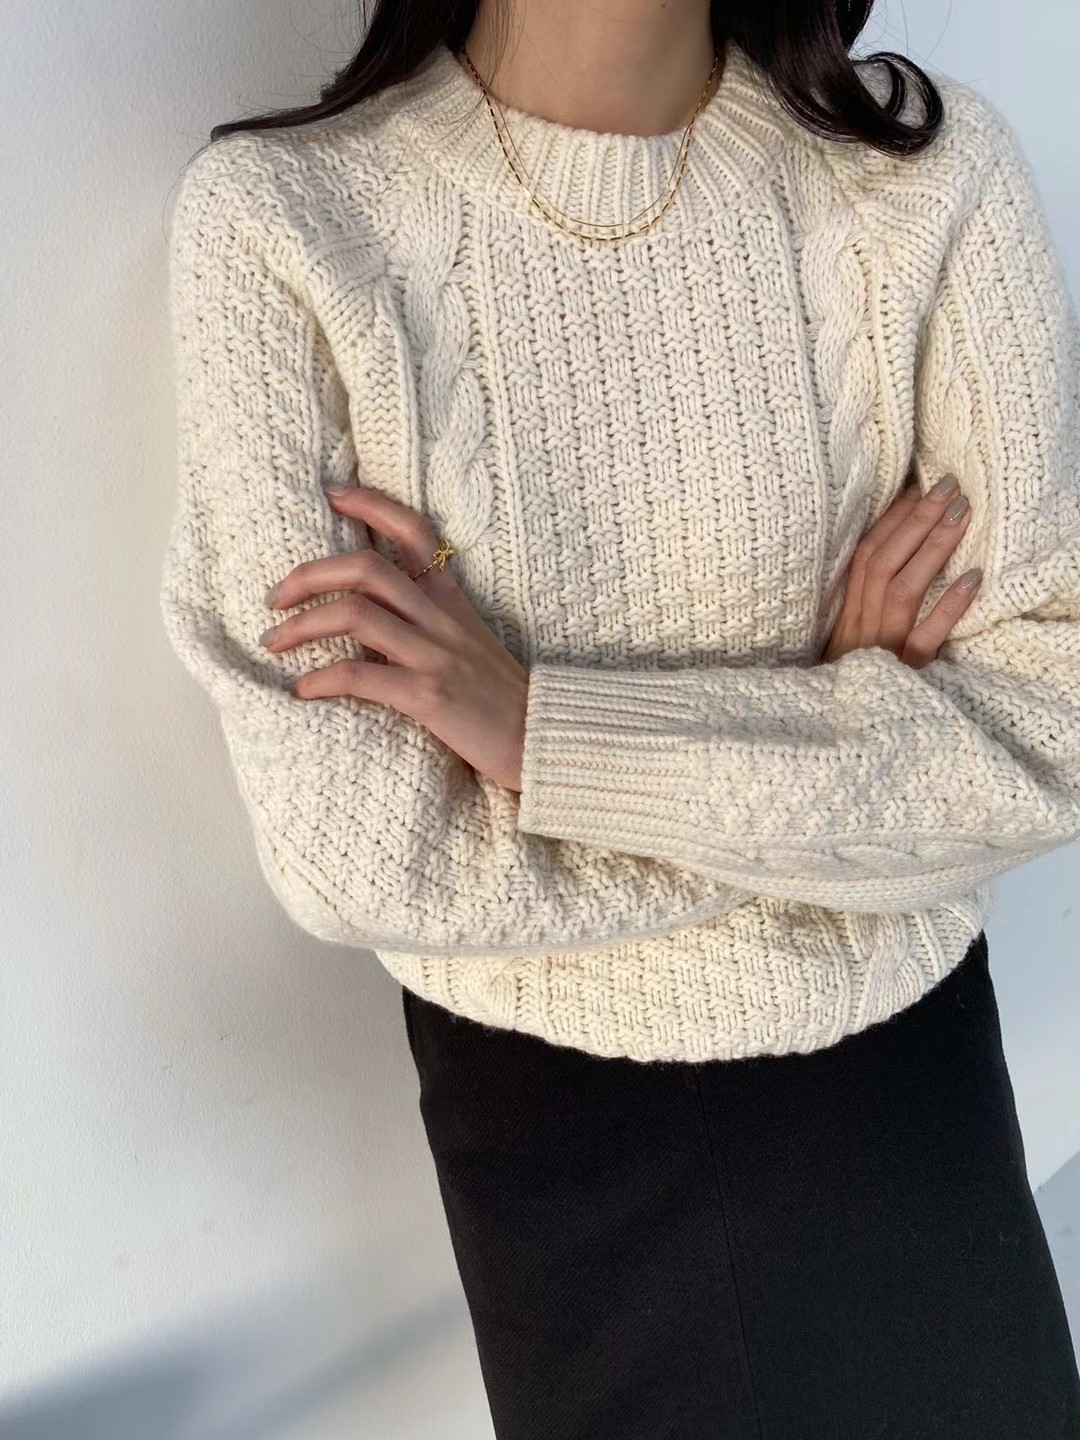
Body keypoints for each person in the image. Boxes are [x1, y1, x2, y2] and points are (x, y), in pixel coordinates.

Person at [159, 0, 1080, 1434]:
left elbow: (1050, 725)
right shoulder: (284, 222)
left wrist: (541, 738)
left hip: (905, 1082)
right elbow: (364, 853)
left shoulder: (924, 174)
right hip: (566, 1145)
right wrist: (843, 731)